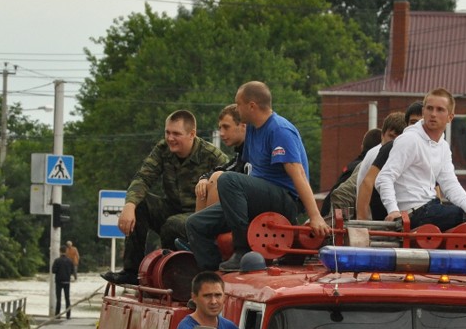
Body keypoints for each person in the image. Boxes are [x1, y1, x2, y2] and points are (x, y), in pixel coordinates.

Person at [186, 81, 331, 273]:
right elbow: (240, 165)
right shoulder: (253, 129)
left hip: (284, 200)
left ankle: (242, 250)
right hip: (258, 197)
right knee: (195, 224)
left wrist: (315, 216)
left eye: (238, 104)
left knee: (228, 180)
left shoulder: (279, 130)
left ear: (252, 105)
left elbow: (299, 173)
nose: (236, 109)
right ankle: (213, 276)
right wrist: (209, 177)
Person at [103, 110, 228, 286]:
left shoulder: (212, 156)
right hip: (172, 208)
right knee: (141, 203)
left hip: (200, 217)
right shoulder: (163, 150)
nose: (170, 138)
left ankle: (169, 276)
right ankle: (131, 272)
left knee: (172, 224)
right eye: (167, 132)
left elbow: (229, 189)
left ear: (192, 134)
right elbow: (143, 178)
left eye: (176, 133)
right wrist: (129, 205)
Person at [376, 88, 466, 244]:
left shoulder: (442, 146)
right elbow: (384, 177)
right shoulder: (410, 140)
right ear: (423, 111)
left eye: (440, 110)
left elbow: (450, 184)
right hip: (415, 213)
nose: (433, 114)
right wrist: (393, 211)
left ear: (450, 117)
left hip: (430, 208)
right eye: (429, 108)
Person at [357, 103, 422, 220]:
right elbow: (367, 183)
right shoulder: (378, 153)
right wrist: (362, 222)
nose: (395, 141)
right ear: (382, 135)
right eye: (391, 136)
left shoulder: (415, 149)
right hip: (378, 220)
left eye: (399, 137)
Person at [195, 104, 248, 212]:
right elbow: (228, 167)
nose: (221, 133)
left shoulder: (254, 149)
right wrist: (204, 178)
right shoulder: (241, 153)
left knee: (217, 178)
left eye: (226, 127)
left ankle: (209, 227)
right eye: (220, 128)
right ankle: (199, 226)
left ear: (243, 125)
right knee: (204, 185)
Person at [323, 127, 383, 217]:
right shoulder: (366, 167)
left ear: (362, 147)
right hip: (333, 219)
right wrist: (346, 225)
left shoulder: (352, 165)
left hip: (327, 214)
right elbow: (341, 195)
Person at [51, 244, 74, 318]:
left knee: (59, 299)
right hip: (67, 281)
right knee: (67, 298)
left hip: (59, 282)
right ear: (66, 251)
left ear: (60, 251)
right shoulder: (70, 261)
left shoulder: (57, 261)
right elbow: (72, 271)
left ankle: (58, 315)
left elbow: (53, 271)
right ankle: (68, 315)